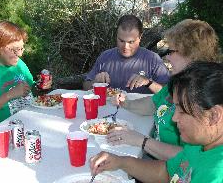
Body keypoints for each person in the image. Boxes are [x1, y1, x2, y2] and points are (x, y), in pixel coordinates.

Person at [90, 61, 223, 183]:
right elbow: (166, 172)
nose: (174, 118)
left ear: (213, 115)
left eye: (182, 112)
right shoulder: (199, 145)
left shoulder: (214, 174)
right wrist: (120, 162)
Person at [108, 19, 222, 160]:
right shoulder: (178, 83)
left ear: (190, 54)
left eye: (171, 51)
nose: (167, 56)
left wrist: (141, 141)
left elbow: (190, 158)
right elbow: (153, 103)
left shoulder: (202, 95)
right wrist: (125, 103)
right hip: (153, 154)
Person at [0, 21, 52, 135]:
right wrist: (10, 94)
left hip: (27, 128)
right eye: (15, 49)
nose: (20, 54)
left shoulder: (19, 64)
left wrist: (41, 87)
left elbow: (31, 93)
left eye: (22, 48)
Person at [83, 14, 169, 94]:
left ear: (140, 37)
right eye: (121, 41)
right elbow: (85, 86)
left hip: (141, 109)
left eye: (131, 42)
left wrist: (148, 82)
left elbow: (168, 92)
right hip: (109, 108)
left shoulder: (153, 59)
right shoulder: (105, 57)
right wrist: (94, 82)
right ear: (116, 36)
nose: (125, 47)